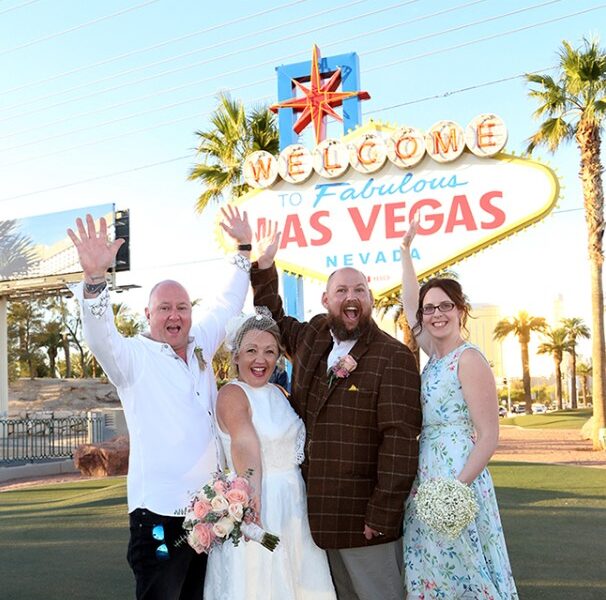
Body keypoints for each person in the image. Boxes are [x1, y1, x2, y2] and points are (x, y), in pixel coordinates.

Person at [67, 206, 253, 600]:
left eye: (182, 307)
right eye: (164, 308)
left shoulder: (201, 341)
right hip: (158, 522)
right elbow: (101, 336)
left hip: (209, 516)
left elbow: (229, 303)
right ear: (148, 314)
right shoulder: (133, 358)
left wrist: (244, 249)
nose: (175, 315)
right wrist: (95, 280)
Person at [250, 224, 422, 600]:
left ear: (370, 299)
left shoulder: (393, 356)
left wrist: (382, 514)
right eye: (341, 290)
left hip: (366, 522)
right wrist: (264, 267)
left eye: (359, 290)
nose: (351, 297)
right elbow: (272, 319)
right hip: (314, 520)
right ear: (326, 299)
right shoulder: (312, 336)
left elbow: (401, 439)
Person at [400, 220, 518, 599]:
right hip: (427, 471)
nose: (436, 314)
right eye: (430, 308)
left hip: (459, 477)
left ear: (460, 310)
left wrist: (456, 489)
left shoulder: (469, 359)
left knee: (466, 566)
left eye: (445, 306)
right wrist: (404, 253)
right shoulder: (434, 355)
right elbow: (408, 304)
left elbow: (489, 435)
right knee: (430, 565)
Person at [204, 310, 337, 599]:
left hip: (295, 504)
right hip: (262, 503)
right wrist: (250, 494)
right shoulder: (232, 394)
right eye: (251, 350)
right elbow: (244, 443)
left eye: (269, 351)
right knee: (262, 584)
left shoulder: (278, 392)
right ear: (236, 355)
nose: (260, 360)